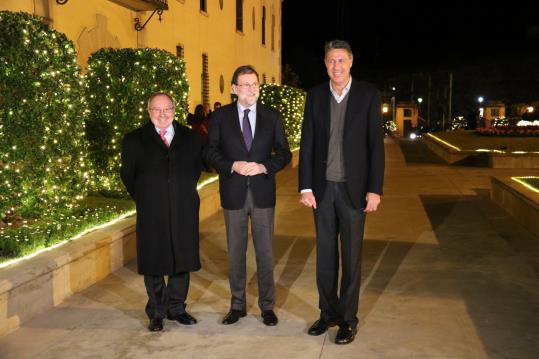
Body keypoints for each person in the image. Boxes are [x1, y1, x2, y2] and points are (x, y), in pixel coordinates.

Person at [298, 40, 385, 345]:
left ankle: (348, 319)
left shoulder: (368, 95)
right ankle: (328, 313)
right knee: (324, 258)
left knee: (351, 258)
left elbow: (376, 146)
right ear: (325, 64)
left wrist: (375, 190)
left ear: (351, 63)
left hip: (354, 192)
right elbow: (307, 144)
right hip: (321, 192)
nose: (336, 66)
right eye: (331, 61)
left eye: (341, 61)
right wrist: (305, 186)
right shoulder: (316, 96)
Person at [204, 65, 291, 326]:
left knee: (265, 252)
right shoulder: (220, 117)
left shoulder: (272, 117)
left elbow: (284, 153)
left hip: (263, 193)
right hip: (233, 193)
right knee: (236, 252)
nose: (251, 89)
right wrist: (232, 165)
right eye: (245, 85)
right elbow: (209, 152)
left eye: (255, 84)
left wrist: (265, 166)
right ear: (234, 89)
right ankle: (237, 305)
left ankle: (267, 306)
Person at [120, 92, 202, 332]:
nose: (162, 114)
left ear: (174, 110)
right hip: (151, 209)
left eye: (167, 109)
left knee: (182, 256)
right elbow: (128, 175)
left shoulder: (191, 138)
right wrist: (147, 197)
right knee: (154, 258)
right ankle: (156, 311)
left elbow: (195, 170)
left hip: (184, 207)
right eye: (157, 110)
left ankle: (177, 308)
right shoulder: (134, 139)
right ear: (148, 112)